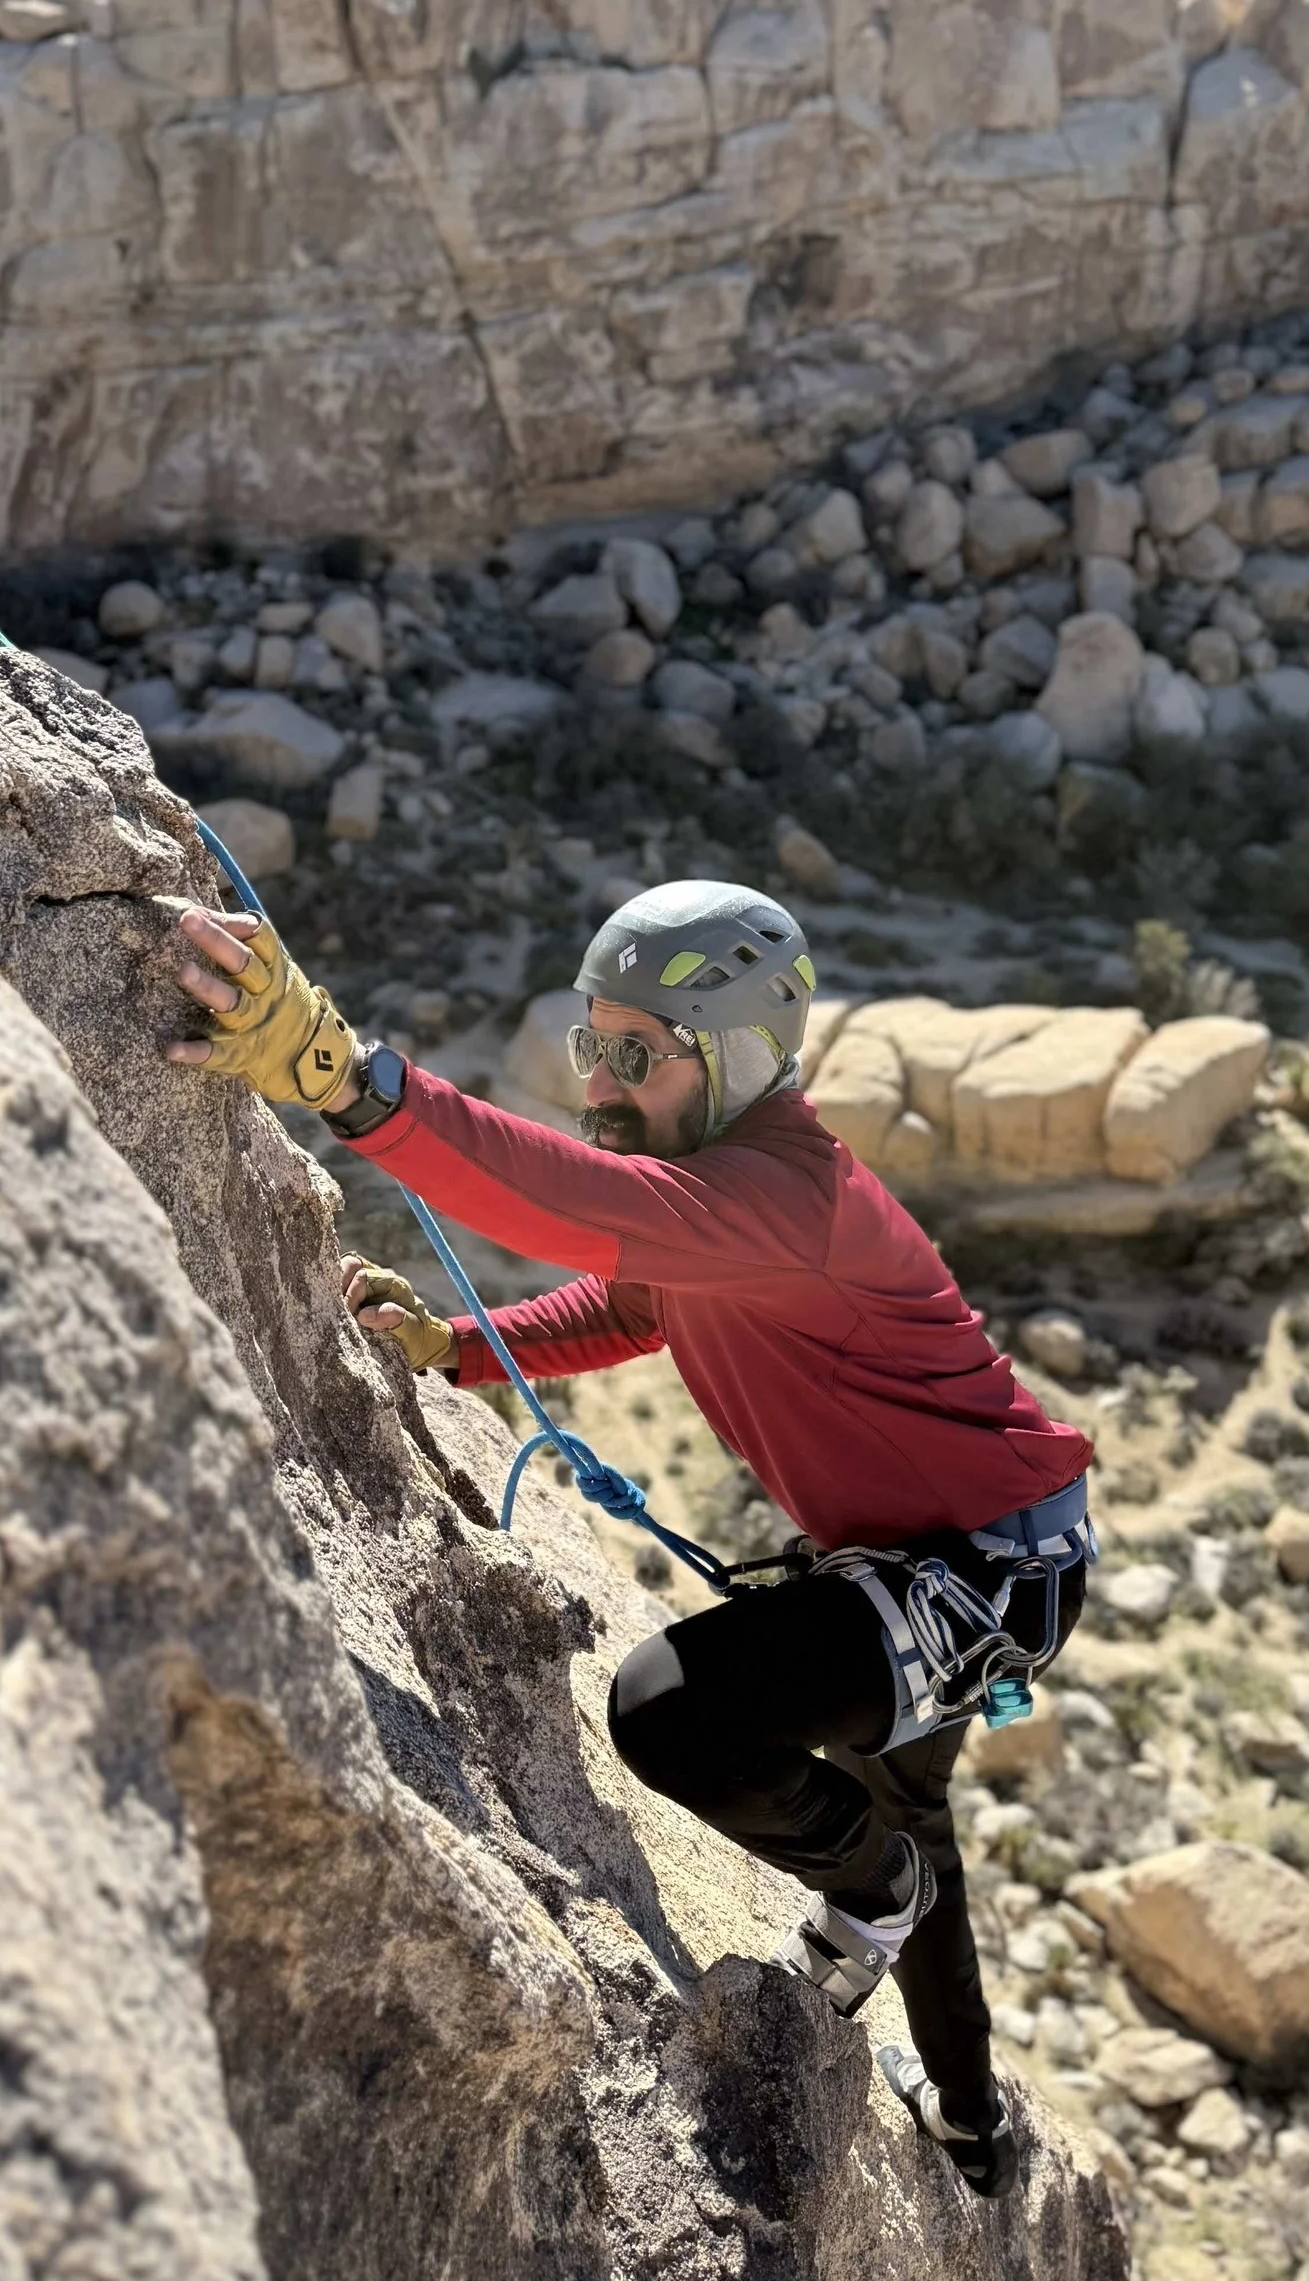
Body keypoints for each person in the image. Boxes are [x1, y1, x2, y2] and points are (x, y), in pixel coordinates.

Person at [166, 874, 1095, 2199]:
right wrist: (457, 1347)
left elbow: (573, 1209)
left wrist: (344, 1074)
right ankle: (968, 2122)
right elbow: (631, 1303)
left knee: (675, 1714)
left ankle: (874, 1899)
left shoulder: (785, 1198)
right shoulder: (722, 1194)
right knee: (908, 1805)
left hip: (983, 1575)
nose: (601, 1084)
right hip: (964, 1559)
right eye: (595, 1045)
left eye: (637, 1057)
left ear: (734, 1056)